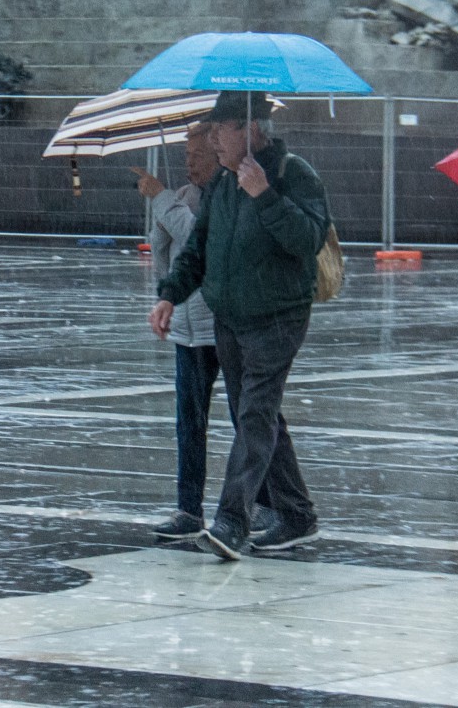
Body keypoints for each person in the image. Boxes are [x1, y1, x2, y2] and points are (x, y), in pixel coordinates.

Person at [148, 91, 331, 560]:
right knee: (259, 416)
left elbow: (307, 239)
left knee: (253, 416)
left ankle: (233, 519)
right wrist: (171, 293)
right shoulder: (224, 184)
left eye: (218, 130)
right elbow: (199, 248)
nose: (211, 140)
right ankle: (297, 515)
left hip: (278, 316)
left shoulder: (294, 174)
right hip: (230, 318)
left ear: (249, 129)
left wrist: (265, 195)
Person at [135, 123, 250, 540]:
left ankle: (262, 505)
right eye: (186, 158)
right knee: (189, 421)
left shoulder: (226, 193)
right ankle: (189, 508)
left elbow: (195, 239)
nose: (190, 165)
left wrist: (160, 197)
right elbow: (168, 254)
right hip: (188, 326)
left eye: (197, 157)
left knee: (248, 419)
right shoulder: (184, 196)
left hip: (220, 323)